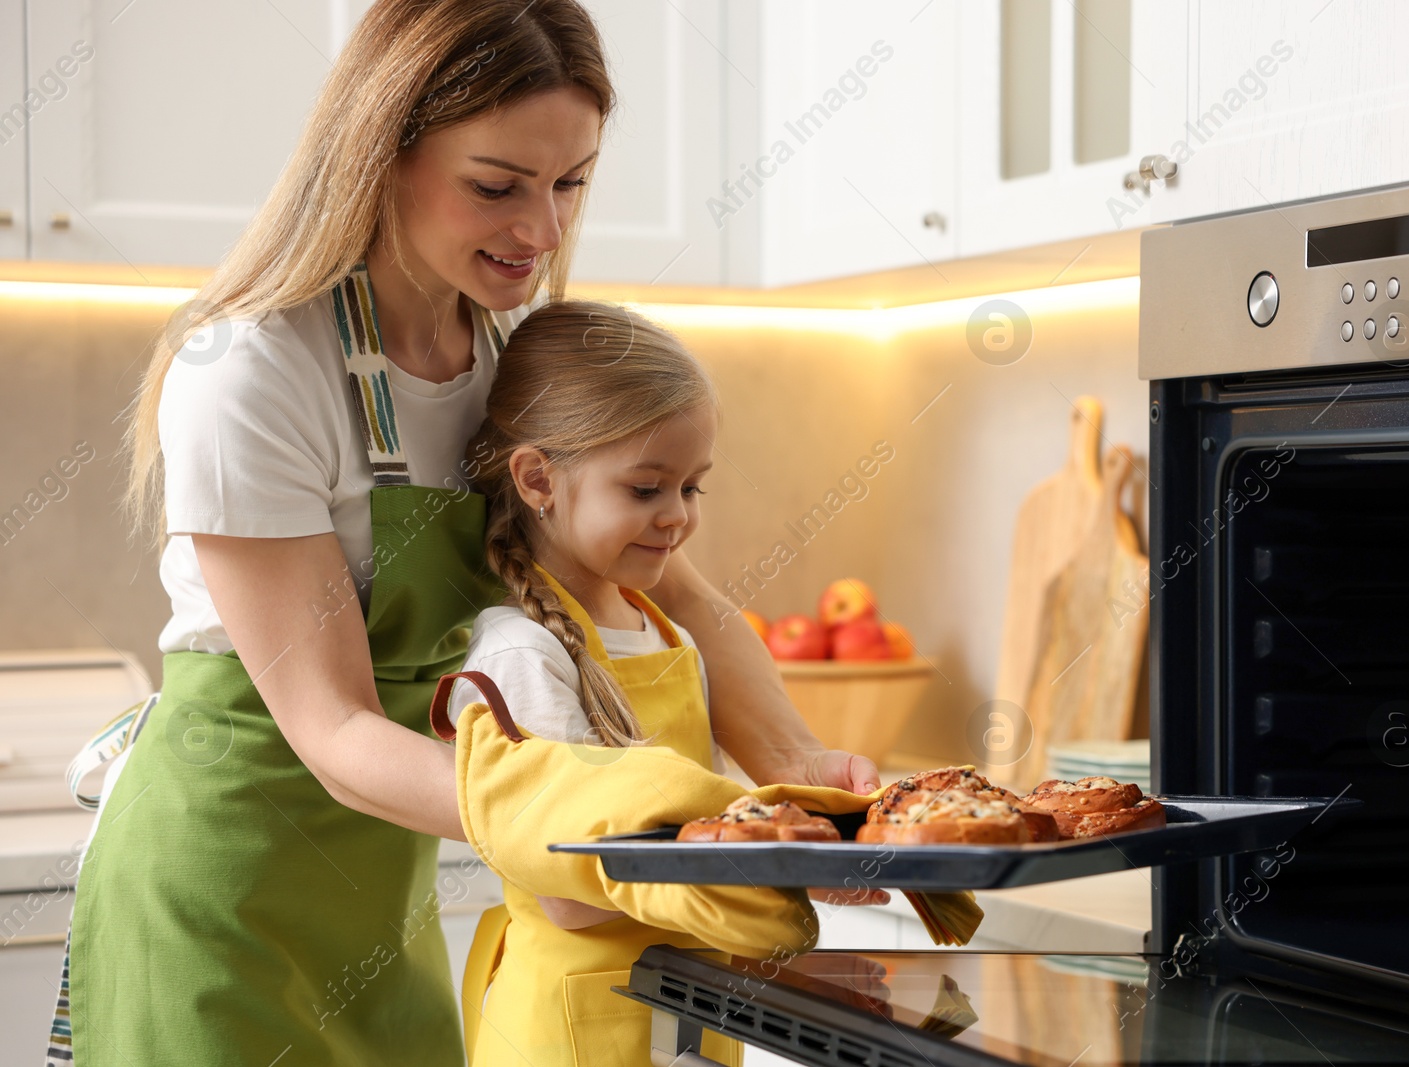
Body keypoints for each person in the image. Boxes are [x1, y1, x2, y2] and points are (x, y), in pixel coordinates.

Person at [55, 2, 879, 1064]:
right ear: (381, 151)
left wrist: (796, 773)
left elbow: (679, 593)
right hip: (222, 886)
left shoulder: (510, 364)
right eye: (496, 185)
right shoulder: (253, 371)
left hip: (383, 889)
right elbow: (337, 732)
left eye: (570, 182)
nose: (543, 231)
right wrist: (622, 823)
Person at [437, 299, 851, 1066]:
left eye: (692, 487)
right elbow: (566, 884)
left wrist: (809, 825)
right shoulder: (519, 655)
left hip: (685, 1011)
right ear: (537, 479)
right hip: (572, 1028)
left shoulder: (668, 634)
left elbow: (697, 820)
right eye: (645, 489)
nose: (677, 517)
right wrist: (762, 872)